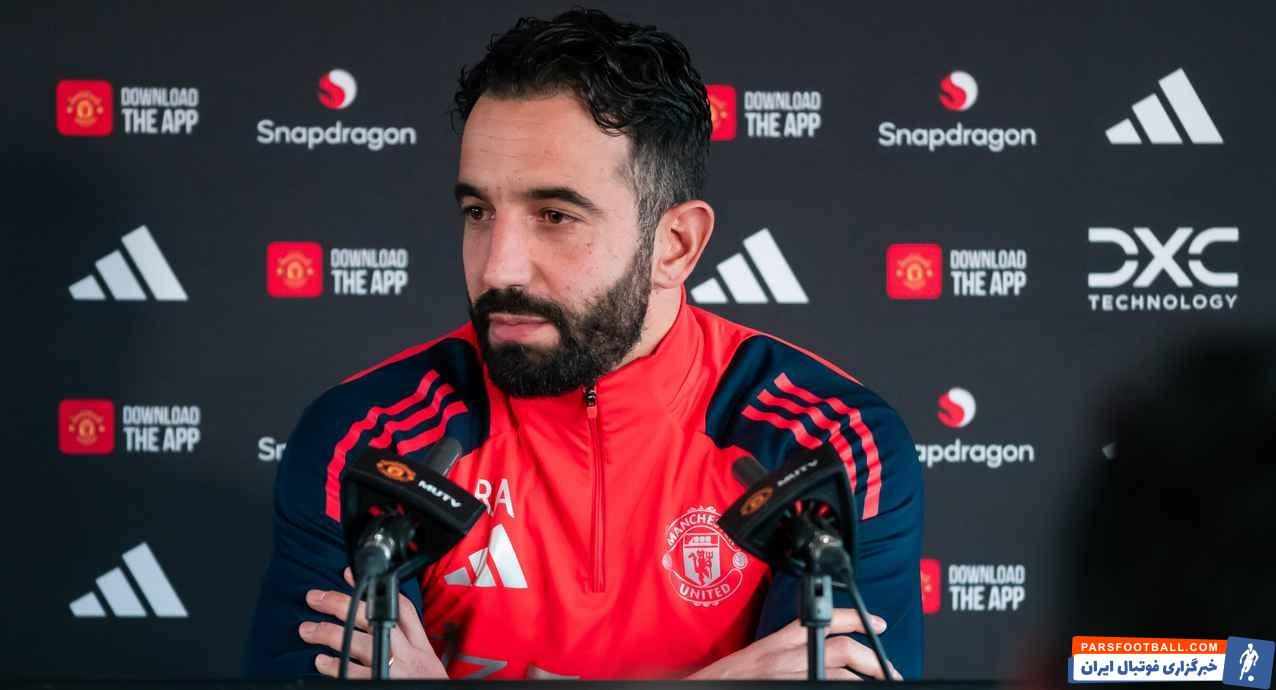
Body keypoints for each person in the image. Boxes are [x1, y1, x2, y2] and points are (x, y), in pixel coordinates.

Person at [244, 8, 922, 680]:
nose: (499, 268)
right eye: (478, 211)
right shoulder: (368, 441)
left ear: (675, 245)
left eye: (555, 216)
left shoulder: (829, 444)